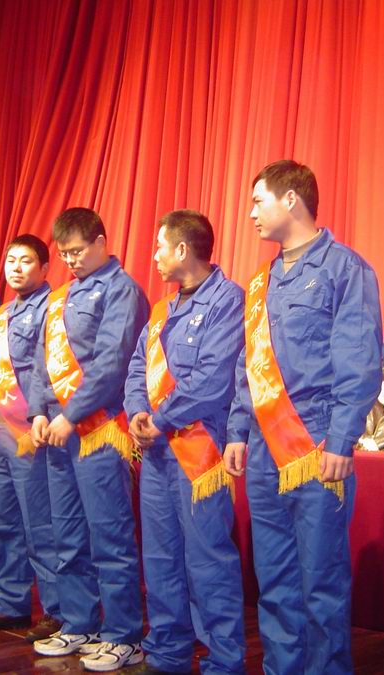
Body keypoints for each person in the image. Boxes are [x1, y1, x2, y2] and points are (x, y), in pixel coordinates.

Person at [224, 160, 383, 674]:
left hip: (315, 446)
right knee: (274, 581)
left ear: (290, 200)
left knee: (321, 582)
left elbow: (358, 359)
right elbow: (248, 366)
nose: (251, 213)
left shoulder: (345, 269)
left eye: (257, 201)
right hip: (264, 453)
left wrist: (342, 438)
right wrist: (237, 431)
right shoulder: (260, 281)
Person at [124, 210, 246, 674]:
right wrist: (138, 411)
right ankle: (167, 652)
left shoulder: (227, 300)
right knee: (160, 557)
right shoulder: (163, 309)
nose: (153, 255)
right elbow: (137, 366)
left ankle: (223, 661)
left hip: (199, 453)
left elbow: (213, 380)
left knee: (208, 559)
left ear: (181, 249)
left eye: (159, 246)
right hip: (157, 452)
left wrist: (159, 418)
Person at [29, 207, 149, 672]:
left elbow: (112, 363)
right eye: (64, 254)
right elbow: (43, 362)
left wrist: (71, 414)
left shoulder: (122, 290)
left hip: (100, 431)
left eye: (78, 251)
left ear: (101, 242)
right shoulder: (61, 297)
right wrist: (40, 412)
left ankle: (124, 635)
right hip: (59, 433)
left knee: (110, 535)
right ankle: (80, 623)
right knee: (68, 534)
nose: (71, 261)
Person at [0, 234, 62, 640]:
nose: (16, 268)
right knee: (2, 521)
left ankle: (57, 610)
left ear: (44, 268)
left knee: (40, 524)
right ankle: (10, 604)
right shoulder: (2, 314)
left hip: (31, 432)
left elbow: (49, 368)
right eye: (11, 260)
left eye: (26, 261)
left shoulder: (54, 308)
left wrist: (39, 414)